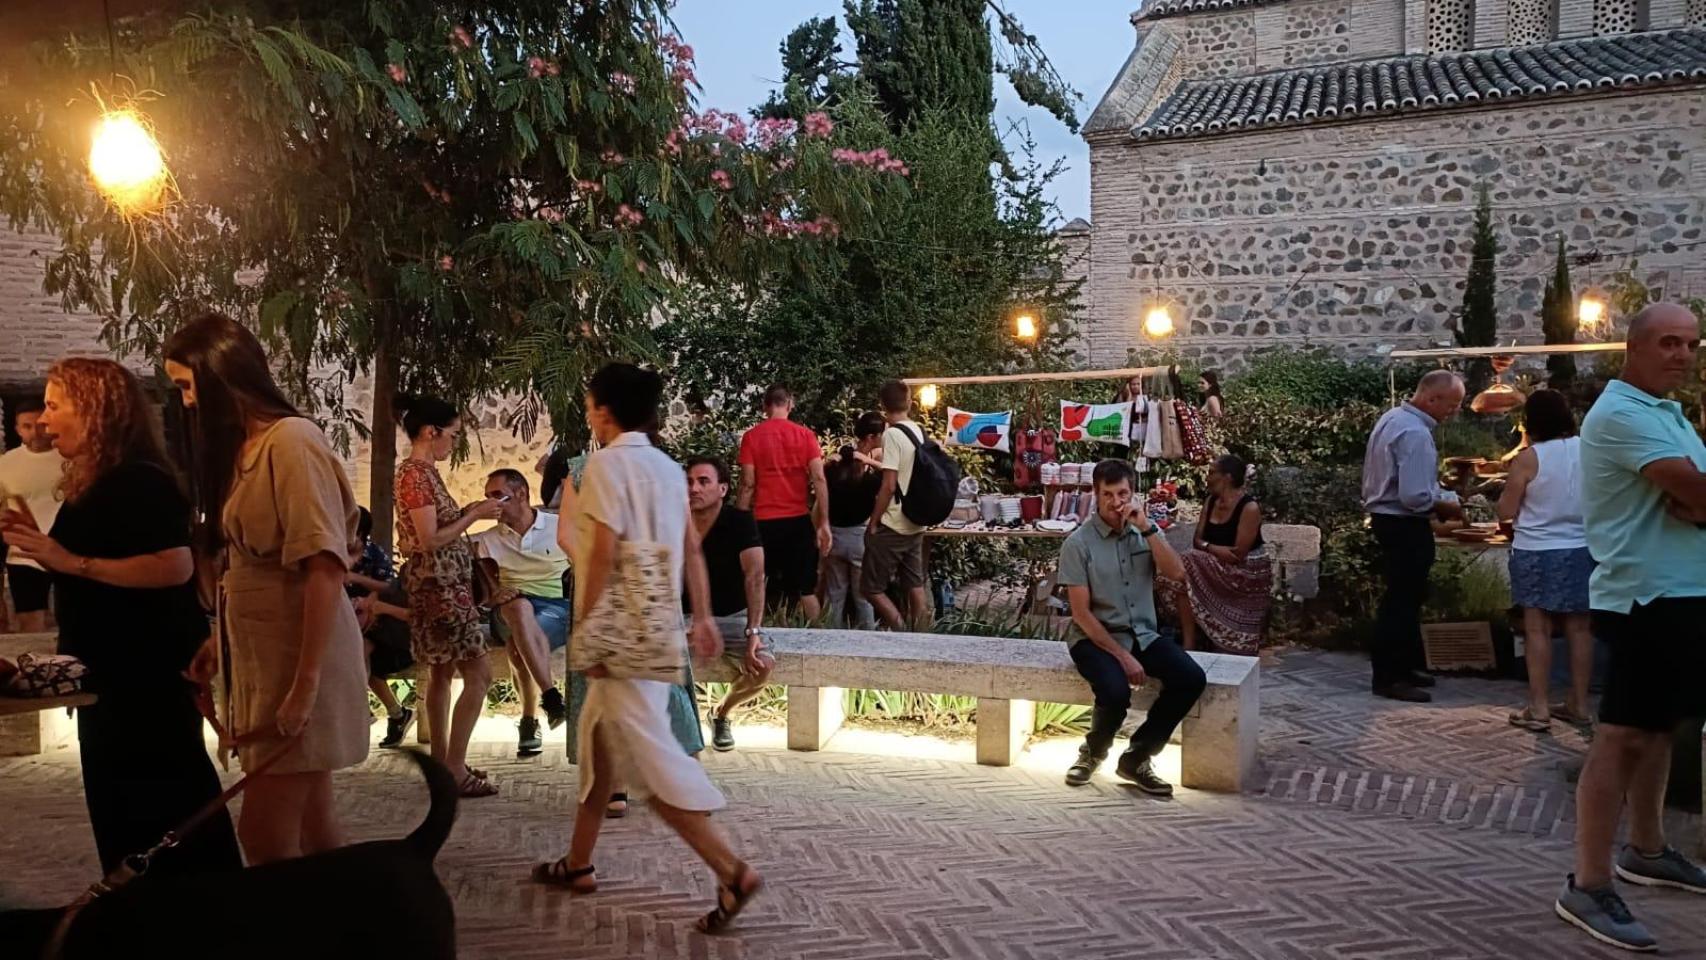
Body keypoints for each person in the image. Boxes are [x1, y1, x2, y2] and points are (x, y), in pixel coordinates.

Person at [532, 363, 763, 935]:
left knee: (651, 767)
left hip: (620, 630)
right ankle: (579, 863)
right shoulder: (665, 467)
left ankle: (732, 871)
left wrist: (587, 631)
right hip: (656, 622)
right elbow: (690, 546)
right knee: (598, 748)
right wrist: (703, 614)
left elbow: (603, 555)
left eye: (590, 406)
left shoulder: (608, 466)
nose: (589, 414)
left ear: (605, 413)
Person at [0, 358, 241, 878]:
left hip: (142, 680)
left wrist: (67, 559)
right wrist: (46, 550)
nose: (43, 419)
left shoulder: (137, 480)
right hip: (118, 677)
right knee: (128, 810)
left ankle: (186, 915)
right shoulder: (104, 481)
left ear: (95, 411)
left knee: (155, 807)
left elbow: (173, 565)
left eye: (54, 404)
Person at [164, 312, 370, 865]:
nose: (185, 403)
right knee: (313, 827)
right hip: (270, 648)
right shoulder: (248, 449)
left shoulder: (292, 441)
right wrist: (220, 640)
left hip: (297, 652)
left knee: (266, 835)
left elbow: (324, 566)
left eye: (187, 386)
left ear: (217, 377)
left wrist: (304, 685)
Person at [1554, 303, 1706, 952]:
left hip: (1683, 592)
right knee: (1620, 736)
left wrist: (1696, 501)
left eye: (1692, 344)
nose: (1682, 354)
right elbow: (1693, 494)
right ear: (1634, 348)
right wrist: (1697, 501)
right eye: (1668, 342)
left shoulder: (1669, 416)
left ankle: (1646, 849)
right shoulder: (1619, 414)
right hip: (1647, 595)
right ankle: (1587, 883)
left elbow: (1694, 496)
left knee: (1660, 729)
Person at [1058, 459, 1203, 794]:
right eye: (1107, 494)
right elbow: (1081, 614)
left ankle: (1137, 757)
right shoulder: (1078, 544)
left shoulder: (1146, 531)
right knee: (1114, 691)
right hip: (1095, 638)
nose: (1115, 502)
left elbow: (1177, 573)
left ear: (1133, 493)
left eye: (1122, 492)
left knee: (1190, 678)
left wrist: (1148, 528)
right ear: (1095, 495)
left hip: (1143, 632)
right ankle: (1091, 754)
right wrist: (1123, 658)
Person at [393, 395, 506, 798]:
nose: (453, 443)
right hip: (441, 590)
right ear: (431, 432)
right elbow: (429, 539)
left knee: (441, 672)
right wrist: (474, 515)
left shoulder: (422, 474)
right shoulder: (416, 476)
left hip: (439, 586)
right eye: (452, 434)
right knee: (479, 674)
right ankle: (454, 768)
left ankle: (444, 762)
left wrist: (468, 511)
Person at [1359, 369, 1467, 704]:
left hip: (1387, 519)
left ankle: (1404, 667)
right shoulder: (1415, 432)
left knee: (1405, 598)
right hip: (1403, 522)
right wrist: (1447, 506)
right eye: (1452, 404)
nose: (1454, 412)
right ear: (1432, 398)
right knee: (1401, 602)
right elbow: (1414, 496)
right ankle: (1390, 676)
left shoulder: (1394, 418)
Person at [1495, 389, 1594, 733]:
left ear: (1531, 421)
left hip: (1536, 548)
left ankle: (1538, 708)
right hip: (1581, 547)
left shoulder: (1529, 458)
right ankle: (1579, 705)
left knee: (1537, 628)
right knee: (1580, 628)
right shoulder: (1589, 449)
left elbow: (1506, 510)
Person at [471, 468, 570, 758]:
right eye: (487, 497)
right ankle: (550, 696)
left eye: (497, 495)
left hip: (555, 608)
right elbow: (488, 595)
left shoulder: (559, 527)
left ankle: (529, 719)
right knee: (519, 606)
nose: (491, 503)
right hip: (510, 610)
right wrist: (495, 596)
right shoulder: (488, 539)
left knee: (517, 645)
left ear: (521, 494)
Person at [686, 455, 774, 752]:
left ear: (723, 489)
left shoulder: (739, 522)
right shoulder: (673, 522)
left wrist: (753, 632)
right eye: (689, 482)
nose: (694, 489)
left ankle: (720, 713)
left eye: (703, 481)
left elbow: (755, 576)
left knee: (764, 665)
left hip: (733, 619)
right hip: (684, 619)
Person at [1157, 454, 1271, 655]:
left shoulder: (1249, 507)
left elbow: (1237, 555)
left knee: (1188, 562)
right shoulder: (1210, 502)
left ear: (1226, 478)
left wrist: (1206, 547)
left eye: (1211, 473)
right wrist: (1212, 548)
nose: (1207, 478)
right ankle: (1189, 642)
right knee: (1182, 572)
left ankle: (1192, 642)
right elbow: (1197, 541)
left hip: (1245, 571)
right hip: (1215, 562)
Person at [735, 384, 830, 618]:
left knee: (760, 584)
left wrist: (738, 522)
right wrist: (824, 522)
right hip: (797, 520)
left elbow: (747, 484)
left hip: (763, 522)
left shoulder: (751, 437)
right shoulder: (806, 436)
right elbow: (818, 478)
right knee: (806, 589)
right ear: (789, 404)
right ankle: (820, 642)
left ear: (765, 407)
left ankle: (758, 636)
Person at [862, 380, 931, 631]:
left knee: (871, 588)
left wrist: (873, 521)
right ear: (910, 403)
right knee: (914, 583)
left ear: (882, 406)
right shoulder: (919, 430)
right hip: (916, 520)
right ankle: (925, 637)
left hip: (895, 522)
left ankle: (902, 633)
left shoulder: (892, 434)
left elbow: (889, 485)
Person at [346, 506, 416, 748]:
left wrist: (356, 580)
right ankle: (397, 714)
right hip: (347, 625)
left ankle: (358, 712)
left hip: (381, 626)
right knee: (360, 659)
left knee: (360, 652)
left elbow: (388, 588)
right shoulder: (332, 553)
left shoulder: (374, 554)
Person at [0, 398, 66, 633]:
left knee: (74, 618)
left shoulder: (71, 457)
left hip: (68, 550)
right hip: (23, 555)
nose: (35, 432)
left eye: (40, 425)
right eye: (27, 426)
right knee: (31, 623)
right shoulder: (5, 465)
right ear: (17, 429)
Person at [821, 412, 885, 630]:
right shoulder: (868, 480)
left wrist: (829, 460)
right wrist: (870, 461)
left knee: (834, 596)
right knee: (863, 596)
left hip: (834, 537)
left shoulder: (832, 473)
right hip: (859, 538)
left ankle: (830, 641)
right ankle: (867, 641)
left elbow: (818, 476)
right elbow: (891, 477)